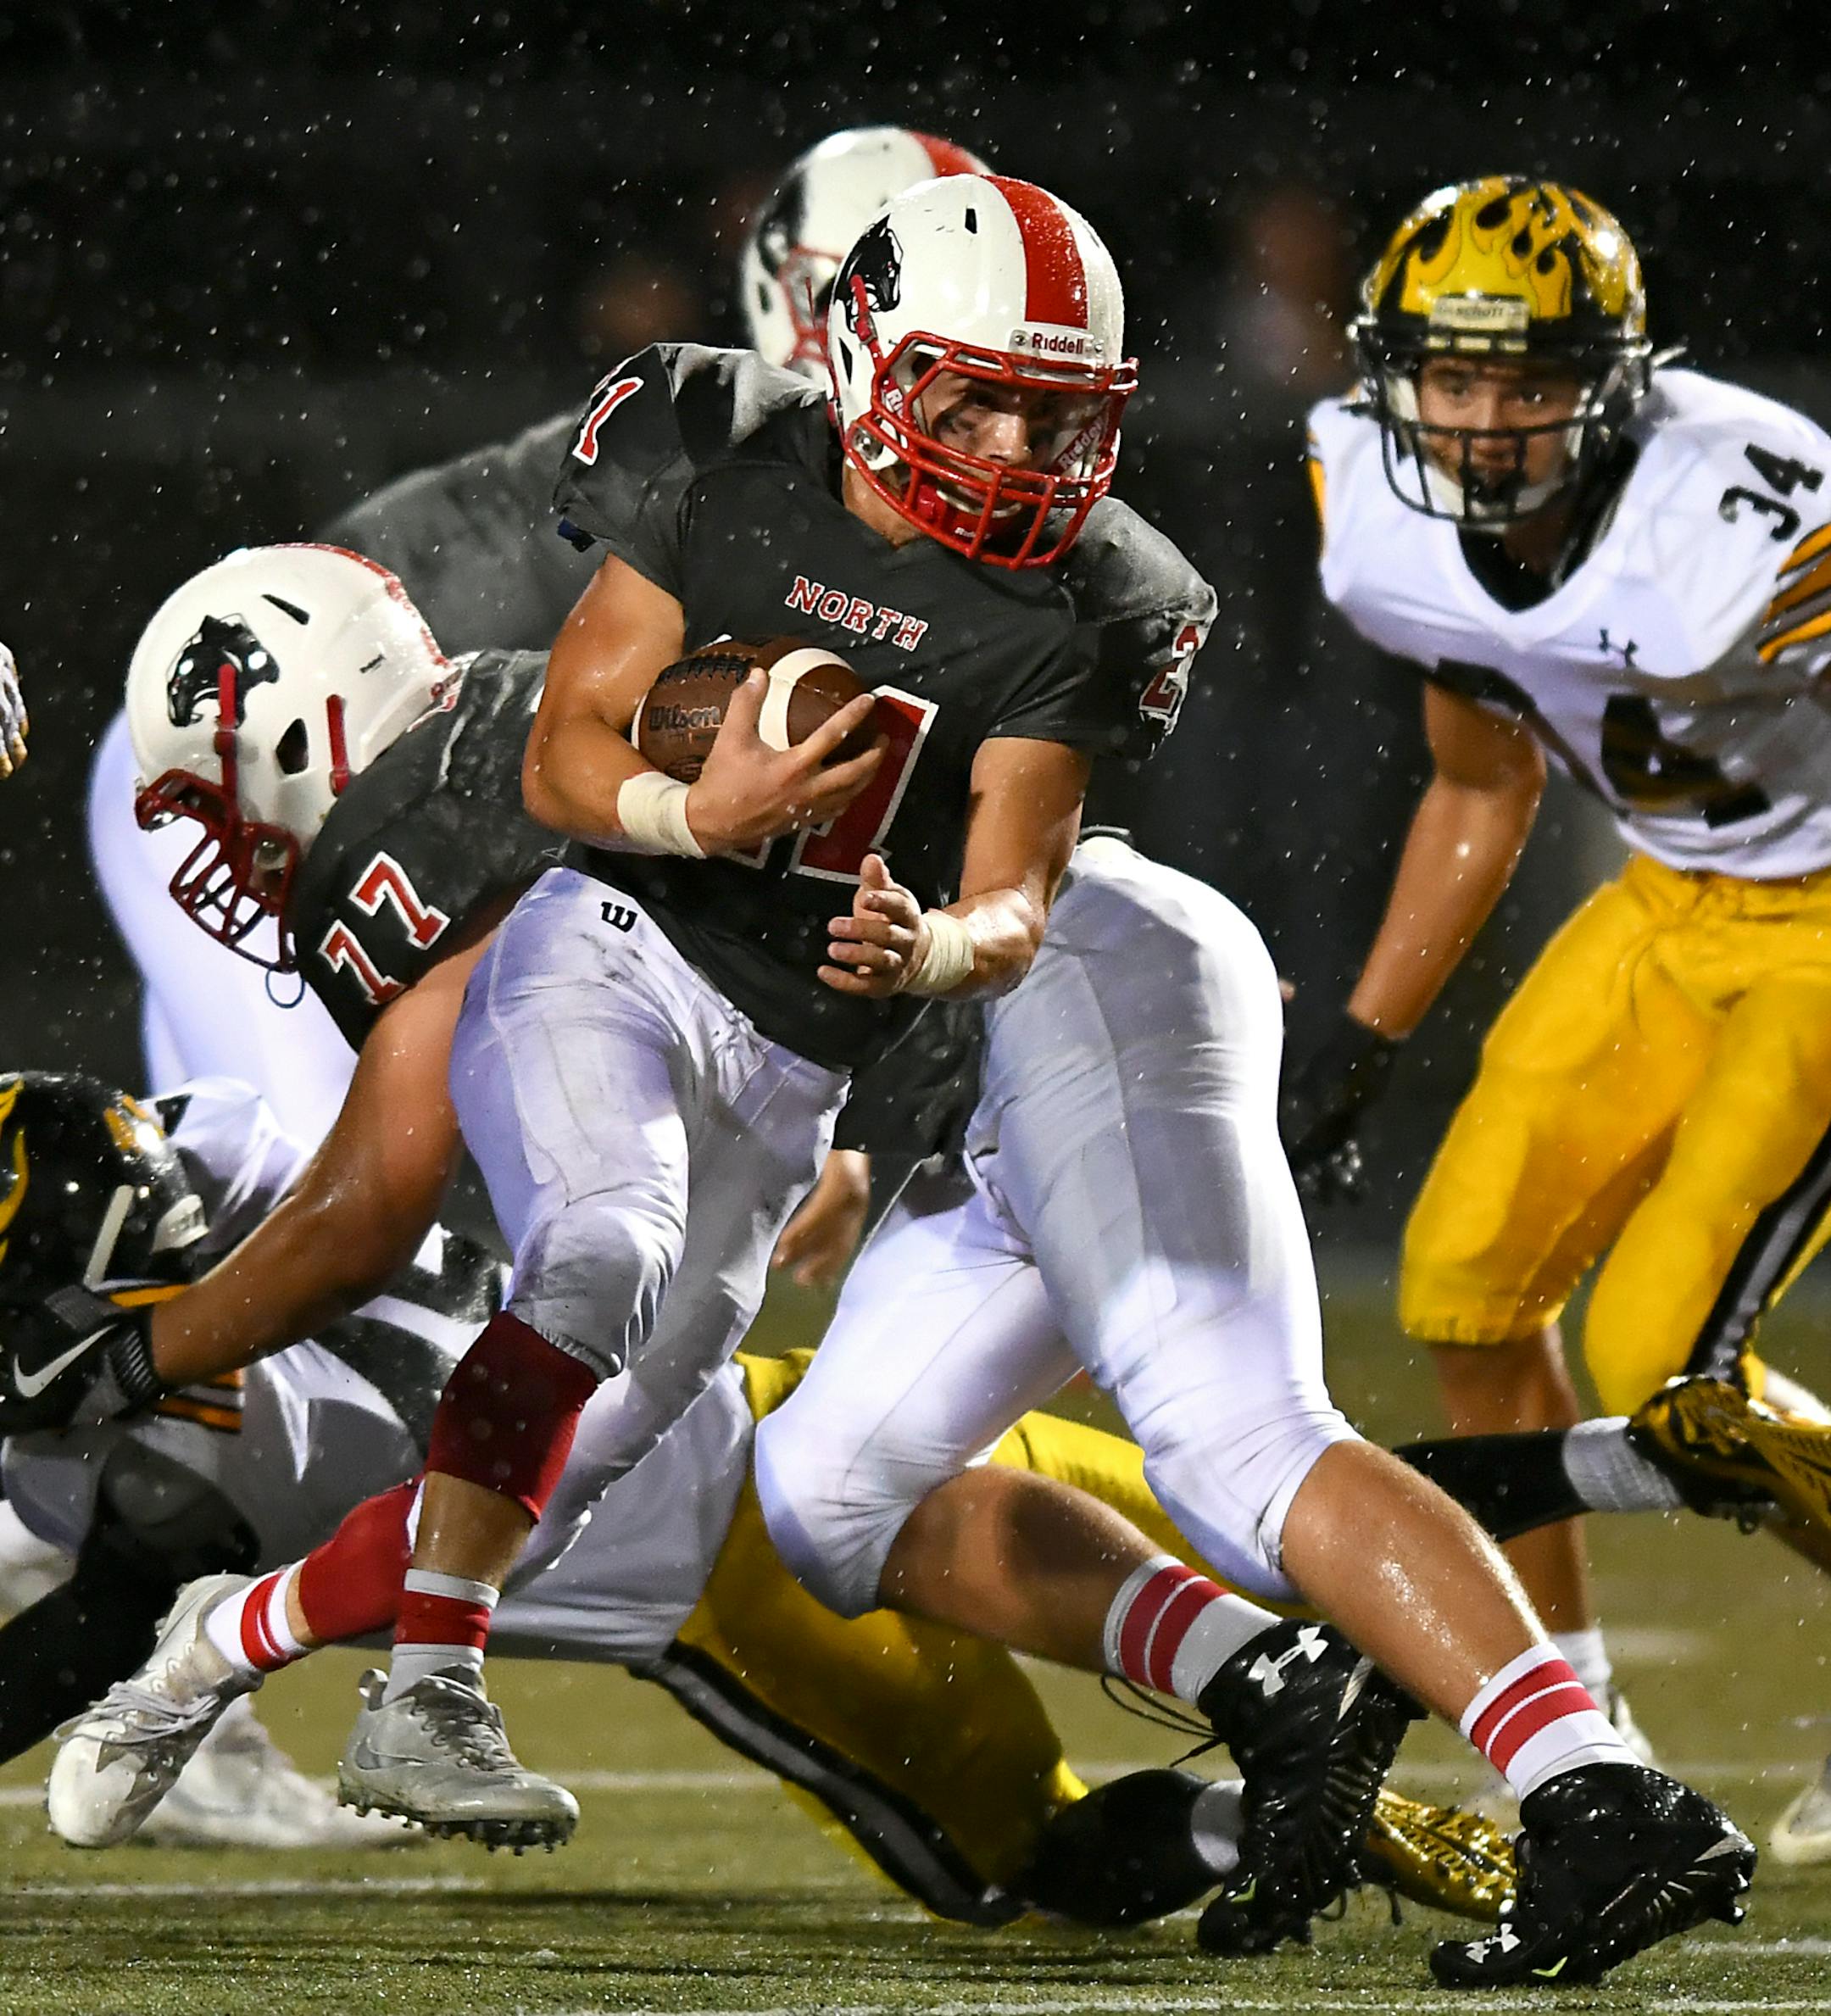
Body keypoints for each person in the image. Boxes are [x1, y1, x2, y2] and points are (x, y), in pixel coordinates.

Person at [22, 1066, 1513, 1928]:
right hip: (809, 1406)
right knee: (1281, 1499)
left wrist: (204, 1648)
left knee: (1030, 1871)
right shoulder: (226, 1148)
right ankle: (1604, 1548)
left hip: (738, 1597)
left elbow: (69, 1647)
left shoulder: (191, 1480)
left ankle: (1288, 1820)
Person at [751, 833, 1756, 1985]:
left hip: (1073, 980)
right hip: (991, 1054)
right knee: (827, 1491)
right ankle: (1282, 1683)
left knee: (1241, 1448)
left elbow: (995, 756)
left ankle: (1601, 1793)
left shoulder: (643, 731)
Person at [81, 125, 983, 1165]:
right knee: (315, 1217)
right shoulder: (711, 467)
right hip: (250, 770)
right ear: (808, 305)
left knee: (247, 1198)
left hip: (345, 807)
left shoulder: (880, 521)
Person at [1283, 177, 1831, 1852]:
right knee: (1459, 1285)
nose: (1488, 416)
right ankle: (1580, 1726)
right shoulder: (1374, 510)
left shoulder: (1755, 506)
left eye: (1529, 381)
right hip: (1668, 900)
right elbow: (1477, 774)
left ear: (1615, 377)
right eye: (1454, 378)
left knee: (1666, 1360)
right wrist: (1364, 1036)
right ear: (1399, 376)